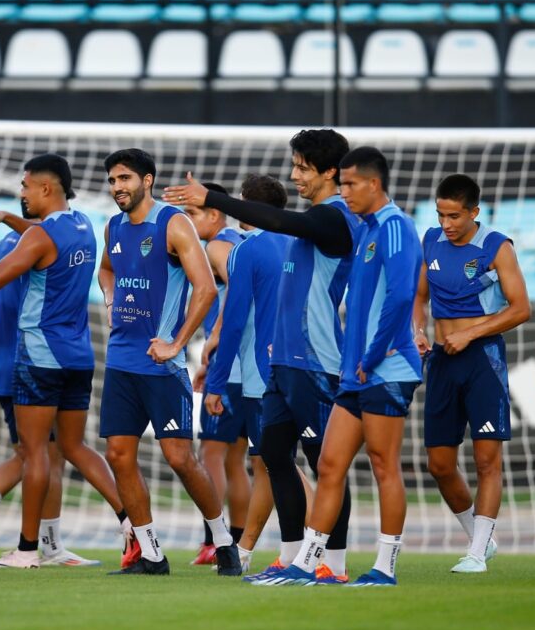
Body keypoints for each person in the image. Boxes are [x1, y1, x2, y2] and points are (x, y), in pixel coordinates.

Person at [165, 129, 357, 583]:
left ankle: (335, 562)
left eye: (302, 167)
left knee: (324, 462)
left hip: (316, 360)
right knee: (273, 454)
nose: (295, 175)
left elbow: (279, 221)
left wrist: (214, 198)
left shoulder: (335, 218)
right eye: (294, 165)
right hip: (280, 362)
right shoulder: (301, 227)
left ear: (330, 171)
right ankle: (289, 556)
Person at [257, 148, 422, 587]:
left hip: (386, 368)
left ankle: (385, 567)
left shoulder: (395, 226)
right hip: (356, 372)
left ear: (374, 184)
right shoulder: (365, 231)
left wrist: (372, 356)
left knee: (385, 465)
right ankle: (307, 563)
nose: (344, 192)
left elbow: (402, 296)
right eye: (342, 184)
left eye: (350, 184)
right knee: (329, 465)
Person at [0, 154, 129, 569]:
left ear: (45, 188)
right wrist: (7, 218)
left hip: (39, 356)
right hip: (79, 356)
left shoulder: (33, 241)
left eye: (25, 186)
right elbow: (44, 236)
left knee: (34, 454)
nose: (22, 193)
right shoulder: (83, 225)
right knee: (72, 447)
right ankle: (132, 522)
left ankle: (27, 550)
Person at [98, 148, 241, 576]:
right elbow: (106, 270)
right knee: (118, 454)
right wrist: (110, 299)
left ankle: (223, 541)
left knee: (179, 458)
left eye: (125, 178)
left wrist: (176, 343)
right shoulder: (113, 227)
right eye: (112, 180)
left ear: (147, 181)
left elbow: (206, 289)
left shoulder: (173, 224)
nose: (117, 187)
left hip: (163, 366)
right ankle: (151, 554)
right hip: (121, 360)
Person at [413, 173, 531, 573]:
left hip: (483, 360)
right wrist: (418, 331)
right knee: (439, 465)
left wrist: (470, 333)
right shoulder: (431, 240)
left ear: (474, 212)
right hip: (442, 361)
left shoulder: (497, 247)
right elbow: (419, 297)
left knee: (486, 461)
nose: (446, 224)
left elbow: (521, 308)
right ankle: (481, 539)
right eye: (441, 215)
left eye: (455, 216)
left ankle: (476, 553)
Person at [202, 174, 292, 574]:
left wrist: (216, 382)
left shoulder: (246, 249)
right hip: (304, 366)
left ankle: (313, 546)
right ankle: (247, 550)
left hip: (260, 373)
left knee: (275, 464)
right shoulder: (299, 243)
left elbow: (234, 321)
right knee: (273, 463)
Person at [185, 184, 249, 566]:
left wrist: (216, 340)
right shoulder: (239, 243)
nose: (187, 222)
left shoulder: (217, 247)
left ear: (214, 214)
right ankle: (237, 541)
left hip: (232, 370)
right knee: (235, 461)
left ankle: (215, 541)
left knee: (210, 453)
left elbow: (238, 290)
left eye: (192, 214)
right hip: (245, 369)